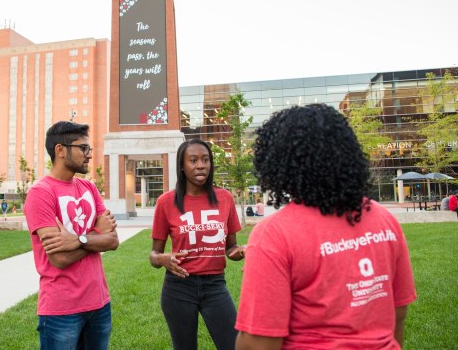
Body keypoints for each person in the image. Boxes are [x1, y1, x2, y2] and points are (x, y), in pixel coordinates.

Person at [235, 104, 417, 350]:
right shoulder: (383, 218)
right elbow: (398, 312)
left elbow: (259, 343)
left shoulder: (274, 235)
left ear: (279, 162)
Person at [23, 121, 119, 350]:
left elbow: (113, 240)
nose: (88, 155)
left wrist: (78, 239)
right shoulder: (40, 194)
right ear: (60, 150)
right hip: (61, 310)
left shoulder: (89, 188)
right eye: (83, 148)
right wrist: (97, 234)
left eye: (89, 149)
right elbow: (59, 259)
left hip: (99, 303)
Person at [150, 138, 244, 350]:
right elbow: (154, 255)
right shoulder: (166, 202)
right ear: (182, 166)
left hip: (215, 286)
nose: (200, 165)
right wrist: (162, 259)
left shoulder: (225, 198)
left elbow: (231, 248)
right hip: (179, 287)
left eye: (205, 160)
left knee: (235, 345)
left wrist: (241, 251)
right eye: (193, 160)